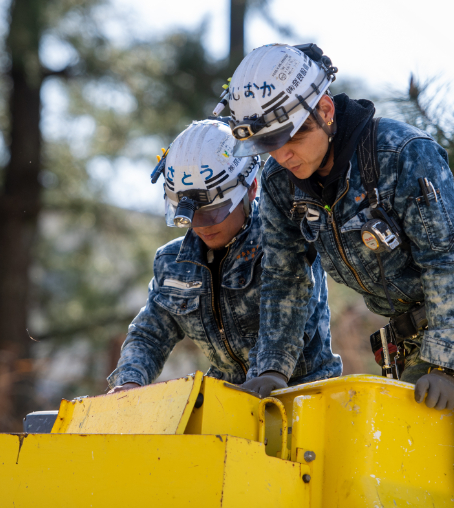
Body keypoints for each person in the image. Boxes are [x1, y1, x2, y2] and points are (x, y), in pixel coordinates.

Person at [219, 43, 454, 508]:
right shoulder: (278, 186)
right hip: (418, 330)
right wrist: (271, 368)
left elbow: (447, 259)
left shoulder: (401, 153)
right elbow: (284, 282)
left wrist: (444, 365)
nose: (283, 155)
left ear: (325, 110)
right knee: (410, 473)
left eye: (291, 137)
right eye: (269, 145)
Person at [106, 119, 341, 394]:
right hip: (227, 403)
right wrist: (129, 382)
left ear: (251, 187)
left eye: (213, 211)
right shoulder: (172, 263)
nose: (201, 224)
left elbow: (290, 315)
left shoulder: (284, 243)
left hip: (305, 396)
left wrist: (268, 373)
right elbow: (149, 335)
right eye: (189, 214)